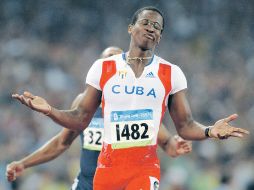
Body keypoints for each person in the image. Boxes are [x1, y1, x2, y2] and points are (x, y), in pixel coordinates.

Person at [11, 6, 249, 190]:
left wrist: (209, 131)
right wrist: (50, 110)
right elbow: (77, 121)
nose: (150, 27)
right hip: (103, 172)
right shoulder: (102, 69)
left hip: (144, 170)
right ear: (130, 28)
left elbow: (184, 127)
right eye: (145, 22)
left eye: (156, 26)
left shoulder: (171, 73)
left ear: (160, 36)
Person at [7, 46, 192, 190]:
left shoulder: (139, 106)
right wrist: (24, 163)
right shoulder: (82, 103)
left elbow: (167, 143)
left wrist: (176, 145)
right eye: (106, 61)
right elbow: (61, 143)